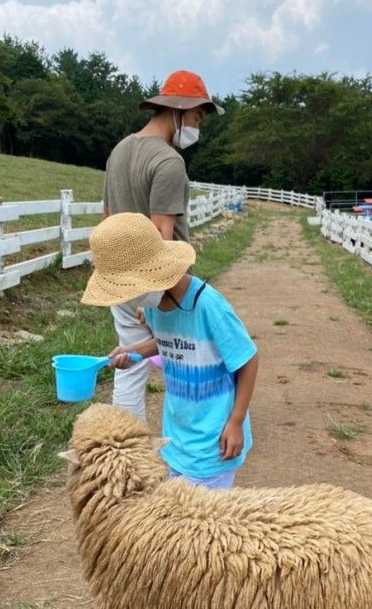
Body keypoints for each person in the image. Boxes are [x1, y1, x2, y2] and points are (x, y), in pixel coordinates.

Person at [81, 213, 258, 490]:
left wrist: (235, 422)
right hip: (177, 436)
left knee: (202, 524)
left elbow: (247, 359)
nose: (128, 301)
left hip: (213, 441)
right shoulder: (153, 306)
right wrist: (134, 351)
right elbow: (168, 341)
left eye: (128, 291)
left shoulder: (208, 307)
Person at [102, 69, 224, 422]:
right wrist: (164, 294)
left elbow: (108, 217)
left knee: (131, 363)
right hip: (159, 283)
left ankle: (125, 444)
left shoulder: (119, 151)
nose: (197, 127)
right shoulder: (168, 162)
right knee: (188, 353)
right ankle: (197, 434)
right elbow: (161, 235)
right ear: (179, 110)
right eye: (198, 117)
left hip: (121, 276)